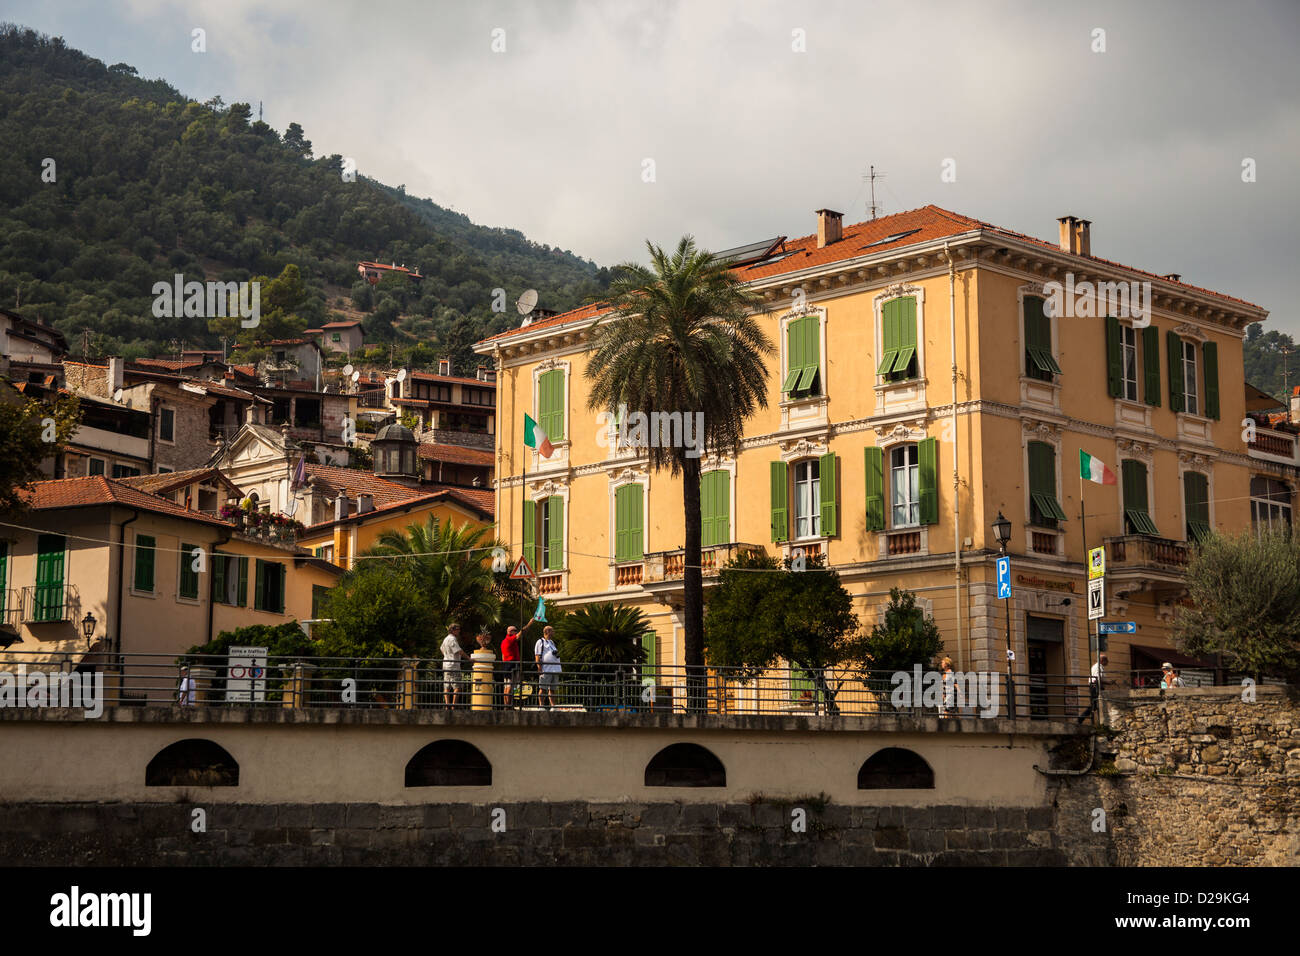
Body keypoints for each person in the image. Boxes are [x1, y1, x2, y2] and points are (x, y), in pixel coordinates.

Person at [500, 619, 535, 708]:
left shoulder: (504, 641)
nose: (516, 632)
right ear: (510, 632)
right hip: (511, 664)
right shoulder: (509, 639)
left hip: (506, 664)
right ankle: (508, 706)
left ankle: (507, 705)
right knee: (510, 686)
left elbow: (503, 656)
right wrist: (529, 623)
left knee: (507, 686)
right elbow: (521, 633)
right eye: (515, 630)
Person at [534, 625, 562, 709]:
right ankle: (541, 706)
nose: (554, 632)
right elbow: (537, 656)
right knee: (543, 688)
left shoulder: (552, 642)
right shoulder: (540, 642)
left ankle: (553, 706)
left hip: (555, 669)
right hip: (546, 669)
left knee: (552, 689)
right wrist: (539, 667)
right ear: (548, 632)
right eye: (552, 631)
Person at [440, 624, 468, 708]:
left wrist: (447, 655)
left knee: (447, 686)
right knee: (457, 686)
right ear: (452, 630)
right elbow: (459, 651)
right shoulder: (452, 639)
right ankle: (453, 706)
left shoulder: (445, 639)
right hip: (454, 666)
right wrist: (468, 658)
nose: (459, 631)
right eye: (457, 629)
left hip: (446, 665)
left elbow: (441, 649)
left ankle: (447, 705)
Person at [1078, 652, 1107, 723]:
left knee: (1095, 705)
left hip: (1094, 686)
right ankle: (1081, 718)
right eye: (1106, 660)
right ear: (1102, 660)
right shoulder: (1099, 667)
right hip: (1095, 687)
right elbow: (1098, 679)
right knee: (1095, 705)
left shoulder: (1096, 666)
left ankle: (1083, 718)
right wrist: (1108, 682)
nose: (1108, 662)